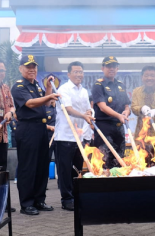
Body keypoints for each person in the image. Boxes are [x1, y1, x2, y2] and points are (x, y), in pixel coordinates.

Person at [11, 54, 60, 216]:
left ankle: (39, 200)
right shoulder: (19, 86)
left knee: (41, 166)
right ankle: (26, 204)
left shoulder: (37, 86)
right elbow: (30, 103)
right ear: (21, 69)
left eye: (34, 67)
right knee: (28, 167)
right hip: (27, 129)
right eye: (28, 67)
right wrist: (49, 96)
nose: (32, 70)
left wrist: (48, 88)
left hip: (41, 129)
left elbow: (45, 103)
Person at [54, 61, 94, 211]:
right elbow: (68, 110)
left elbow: (88, 109)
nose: (79, 75)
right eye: (76, 72)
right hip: (65, 136)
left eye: (81, 72)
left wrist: (89, 114)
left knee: (76, 168)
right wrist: (84, 116)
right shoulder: (63, 89)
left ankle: (76, 196)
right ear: (69, 74)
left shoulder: (83, 91)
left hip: (80, 136)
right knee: (64, 170)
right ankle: (67, 199)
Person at [91, 56, 131, 169]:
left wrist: (126, 112)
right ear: (102, 68)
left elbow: (127, 106)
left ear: (117, 68)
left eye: (114, 66)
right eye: (108, 66)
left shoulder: (121, 85)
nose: (111, 69)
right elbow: (102, 107)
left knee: (120, 160)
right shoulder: (98, 85)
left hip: (119, 128)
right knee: (105, 161)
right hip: (104, 128)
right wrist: (119, 115)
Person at [131, 66, 155, 165]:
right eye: (146, 75)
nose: (149, 78)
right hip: (142, 138)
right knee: (142, 167)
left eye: (152, 75)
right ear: (142, 78)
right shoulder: (136, 91)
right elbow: (134, 107)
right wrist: (141, 108)